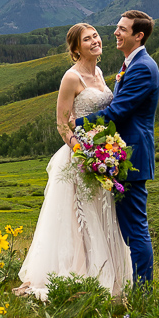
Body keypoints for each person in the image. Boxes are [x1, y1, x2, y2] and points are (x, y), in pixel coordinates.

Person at [12, 22, 133, 300]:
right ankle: (80, 277)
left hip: (105, 154)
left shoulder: (101, 72)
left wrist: (107, 149)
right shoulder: (71, 77)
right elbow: (62, 123)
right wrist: (82, 151)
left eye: (96, 37)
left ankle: (109, 279)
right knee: (82, 219)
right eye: (87, 40)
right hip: (80, 157)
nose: (95, 41)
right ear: (76, 49)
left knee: (105, 215)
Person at [73, 9, 159, 285]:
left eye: (123, 29)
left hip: (132, 157)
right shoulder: (131, 64)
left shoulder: (143, 68)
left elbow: (117, 112)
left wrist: (78, 123)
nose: (115, 33)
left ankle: (144, 294)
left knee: (135, 231)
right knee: (127, 229)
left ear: (139, 35)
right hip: (121, 155)